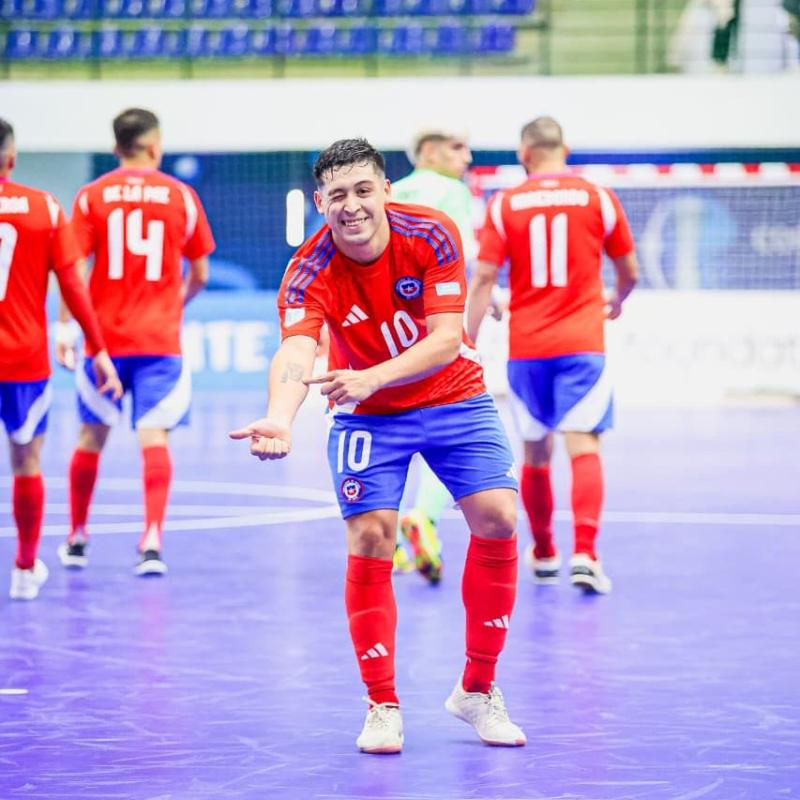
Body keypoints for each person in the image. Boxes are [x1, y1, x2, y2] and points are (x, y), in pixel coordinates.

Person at [230, 138, 525, 754]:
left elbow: (447, 339)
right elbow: (297, 351)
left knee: (498, 519)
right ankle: (381, 703)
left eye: (364, 190)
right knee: (370, 537)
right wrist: (281, 418)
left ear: (386, 191)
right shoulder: (307, 270)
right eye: (337, 195)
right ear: (320, 202)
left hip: (453, 396)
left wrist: (370, 375)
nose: (353, 206)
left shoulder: (433, 232)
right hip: (370, 417)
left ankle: (477, 688)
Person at [467, 116, 638, 596]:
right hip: (582, 344)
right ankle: (585, 553)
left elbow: (482, 278)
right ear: (567, 148)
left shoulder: (505, 203)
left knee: (535, 450)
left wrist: (467, 339)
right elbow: (629, 269)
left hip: (528, 349)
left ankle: (543, 553)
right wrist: (618, 299)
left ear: (524, 153)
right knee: (583, 445)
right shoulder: (598, 198)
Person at [55, 108, 215, 576]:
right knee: (153, 438)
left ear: (116, 148)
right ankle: (151, 543)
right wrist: (173, 307)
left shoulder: (91, 197)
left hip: (102, 343)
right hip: (158, 341)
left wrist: (66, 329)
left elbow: (73, 272)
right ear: (155, 145)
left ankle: (78, 537)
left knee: (90, 437)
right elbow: (201, 273)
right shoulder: (180, 196)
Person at [0, 117, 122, 600]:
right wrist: (99, 349)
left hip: (24, 358)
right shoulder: (44, 209)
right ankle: (25, 569)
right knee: (26, 461)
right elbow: (74, 285)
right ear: (11, 158)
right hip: (22, 358)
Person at [389, 128, 475, 584]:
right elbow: (465, 260)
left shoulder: (390, 193)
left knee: (395, 433)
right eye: (458, 147)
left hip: (390, 332)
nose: (468, 156)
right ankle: (423, 517)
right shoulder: (453, 193)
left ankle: (397, 546)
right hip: (438, 327)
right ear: (428, 151)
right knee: (449, 434)